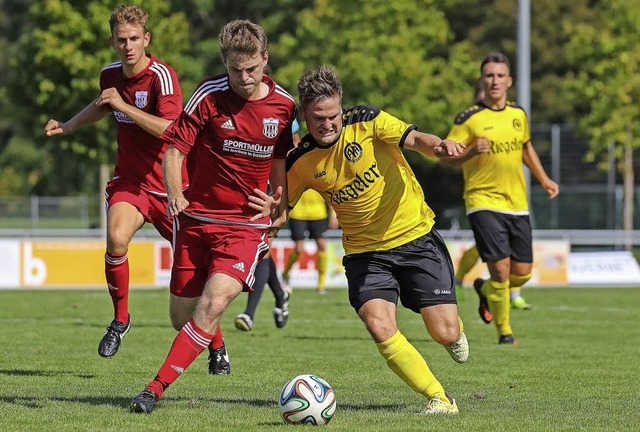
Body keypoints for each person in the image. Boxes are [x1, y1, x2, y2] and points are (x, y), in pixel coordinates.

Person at [43, 5, 229, 370]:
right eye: (120, 40)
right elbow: (102, 106)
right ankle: (121, 319)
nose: (127, 46)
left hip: (172, 188)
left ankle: (217, 345)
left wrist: (123, 105)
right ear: (112, 41)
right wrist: (67, 125)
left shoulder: (163, 77)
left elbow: (171, 131)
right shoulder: (109, 75)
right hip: (131, 182)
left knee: (196, 281)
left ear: (146, 39)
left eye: (134, 39)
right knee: (115, 237)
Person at [129, 19, 295, 414]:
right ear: (225, 63)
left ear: (265, 59)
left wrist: (282, 205)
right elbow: (174, 150)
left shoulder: (284, 106)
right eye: (236, 70)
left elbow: (280, 160)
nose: (244, 78)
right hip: (196, 220)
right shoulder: (207, 95)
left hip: (245, 227)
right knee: (181, 316)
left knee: (215, 301)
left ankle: (153, 390)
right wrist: (174, 194)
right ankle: (214, 344)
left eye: (252, 69)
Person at [287, 65, 468, 415]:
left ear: (342, 108)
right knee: (378, 323)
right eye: (318, 118)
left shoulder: (368, 120)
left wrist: (440, 145)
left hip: (415, 235)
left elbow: (415, 139)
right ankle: (439, 399)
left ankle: (455, 332)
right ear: (304, 117)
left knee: (444, 333)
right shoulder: (299, 160)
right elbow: (281, 208)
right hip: (364, 253)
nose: (328, 125)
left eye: (333, 116)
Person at [442, 52, 559, 345]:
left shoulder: (519, 115)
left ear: (509, 81)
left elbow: (526, 148)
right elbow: (444, 158)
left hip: (517, 203)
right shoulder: (468, 118)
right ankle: (505, 333)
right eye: (489, 76)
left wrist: (544, 179)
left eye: (499, 76)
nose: (494, 81)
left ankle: (487, 290)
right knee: (502, 268)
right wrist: (469, 151)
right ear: (483, 80)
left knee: (523, 273)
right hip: (482, 201)